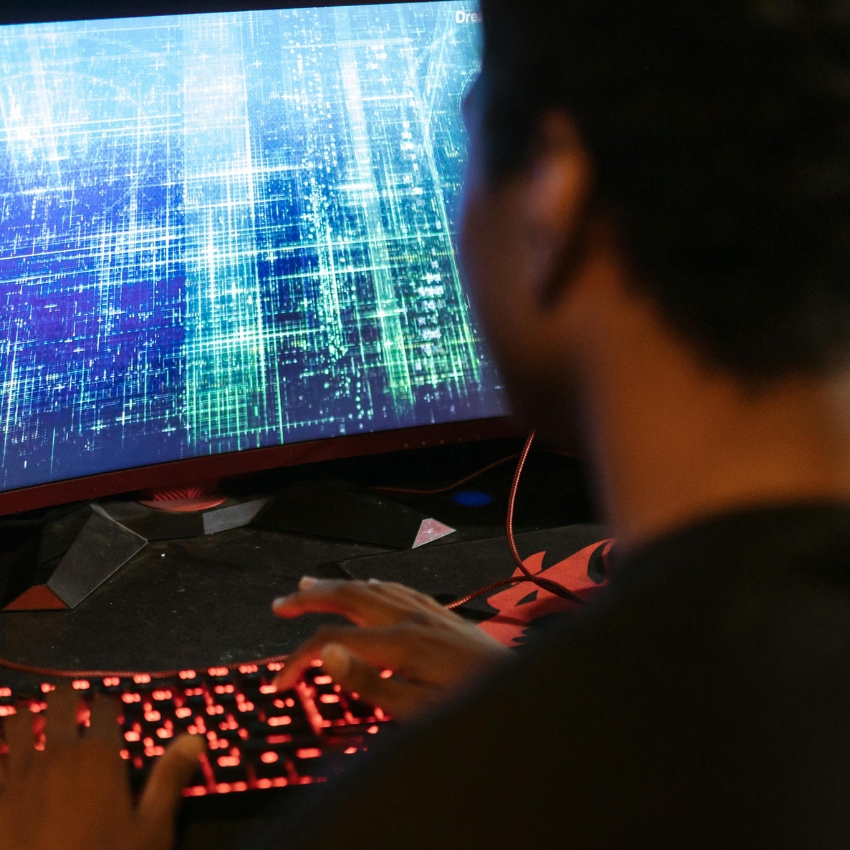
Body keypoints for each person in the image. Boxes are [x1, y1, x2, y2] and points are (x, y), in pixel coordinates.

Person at [4, 0, 850, 846]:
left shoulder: (433, 810)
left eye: (463, 143)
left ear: (556, 195)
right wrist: (526, 703)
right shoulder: (735, 705)